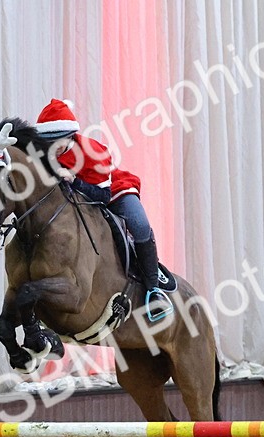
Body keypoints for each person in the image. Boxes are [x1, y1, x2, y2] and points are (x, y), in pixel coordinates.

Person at [32, 98, 171, 319]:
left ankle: (153, 290)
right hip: (77, 198)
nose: (49, 149)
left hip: (114, 191)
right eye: (45, 142)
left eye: (53, 143)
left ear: (69, 137)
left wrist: (73, 180)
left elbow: (103, 196)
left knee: (139, 225)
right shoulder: (44, 152)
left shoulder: (91, 151)